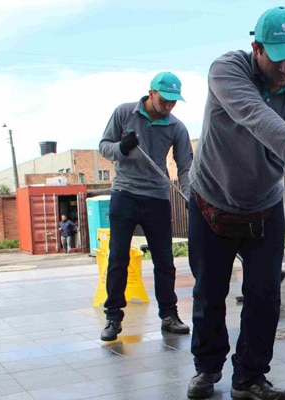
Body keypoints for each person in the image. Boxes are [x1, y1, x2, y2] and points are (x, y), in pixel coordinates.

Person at [186, 6, 285, 400]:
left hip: (265, 207)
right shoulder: (226, 71)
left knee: (265, 296)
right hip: (211, 201)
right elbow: (253, 114)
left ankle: (249, 378)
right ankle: (207, 368)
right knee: (209, 293)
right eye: (278, 56)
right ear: (256, 48)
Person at [97, 71, 193, 341]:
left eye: (173, 102)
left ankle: (169, 315)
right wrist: (122, 148)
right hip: (125, 193)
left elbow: (185, 166)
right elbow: (104, 147)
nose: (168, 107)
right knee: (118, 258)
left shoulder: (176, 127)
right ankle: (113, 318)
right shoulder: (124, 113)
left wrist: (188, 197)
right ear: (151, 94)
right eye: (164, 100)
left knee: (164, 260)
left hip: (157, 197)